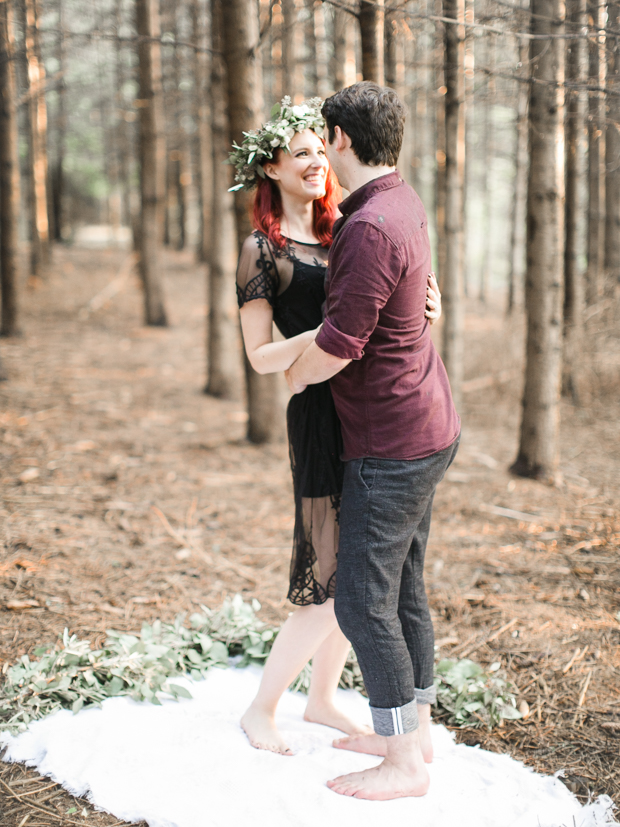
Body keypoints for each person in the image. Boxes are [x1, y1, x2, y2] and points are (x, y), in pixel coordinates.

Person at [229, 97, 442, 757]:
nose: (318, 162)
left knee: (358, 569)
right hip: (317, 413)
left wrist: (429, 304)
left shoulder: (346, 223)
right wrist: (322, 341)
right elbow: (260, 357)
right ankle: (261, 708)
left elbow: (389, 292)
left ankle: (321, 698)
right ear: (271, 167)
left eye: (322, 150)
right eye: (301, 155)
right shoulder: (261, 249)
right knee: (328, 581)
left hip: (367, 409)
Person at [285, 82, 461, 800]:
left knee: (361, 599)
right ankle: (409, 729)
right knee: (403, 585)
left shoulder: (369, 226)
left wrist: (292, 371)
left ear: (343, 140)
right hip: (425, 424)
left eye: (326, 139)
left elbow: (341, 343)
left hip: (392, 441)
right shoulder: (401, 203)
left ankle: (402, 765)